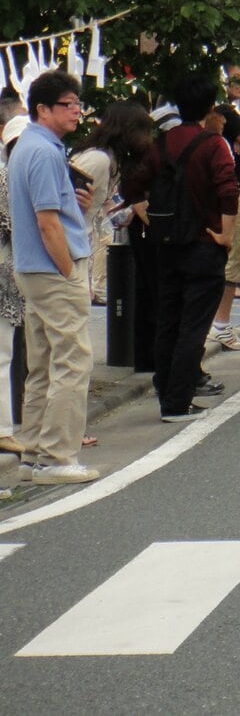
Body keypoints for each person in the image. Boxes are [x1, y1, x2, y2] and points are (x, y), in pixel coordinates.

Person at [125, 73, 240, 421]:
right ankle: (177, 402)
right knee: (194, 325)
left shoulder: (161, 143)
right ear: (210, 107)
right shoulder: (213, 144)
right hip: (204, 243)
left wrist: (151, 219)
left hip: (167, 245)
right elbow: (228, 190)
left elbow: (133, 185)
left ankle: (166, 392)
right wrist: (226, 235)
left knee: (169, 321)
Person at [5, 71, 98, 482]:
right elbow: (48, 223)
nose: (76, 111)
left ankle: (33, 454)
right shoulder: (43, 151)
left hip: (33, 268)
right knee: (72, 361)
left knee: (43, 363)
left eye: (78, 103)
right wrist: (67, 269)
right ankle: (57, 456)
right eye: (68, 104)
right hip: (53, 267)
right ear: (43, 109)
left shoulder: (29, 146)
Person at [72, 102, 154, 306]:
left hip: (80, 246)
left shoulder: (110, 160)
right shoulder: (98, 160)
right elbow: (65, 200)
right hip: (70, 248)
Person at [208, 91, 240, 350]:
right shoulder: (226, 113)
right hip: (235, 189)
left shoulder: (188, 121)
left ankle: (214, 323)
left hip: (207, 191)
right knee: (232, 255)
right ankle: (221, 325)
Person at [0, 116, 32, 459]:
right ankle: (3, 429)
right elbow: (15, 226)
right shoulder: (6, 178)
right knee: (2, 353)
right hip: (4, 276)